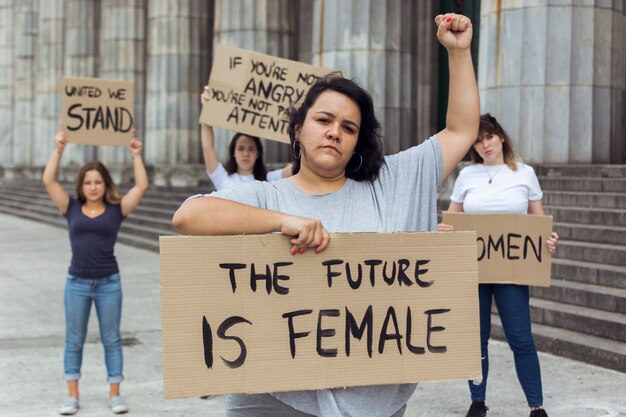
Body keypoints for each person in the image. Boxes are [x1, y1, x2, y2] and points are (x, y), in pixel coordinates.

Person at [173, 13, 477, 417]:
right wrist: (283, 222)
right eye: (323, 120)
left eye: (349, 128)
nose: (335, 131)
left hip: (375, 401)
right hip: (275, 401)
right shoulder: (266, 195)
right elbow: (188, 216)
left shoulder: (392, 182)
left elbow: (460, 131)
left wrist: (458, 54)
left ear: (356, 144)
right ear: (297, 129)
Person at [438, 113, 559, 417]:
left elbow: (538, 222)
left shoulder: (525, 173)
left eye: (488, 137)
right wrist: (445, 228)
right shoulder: (467, 176)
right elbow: (452, 218)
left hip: (512, 270)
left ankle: (537, 406)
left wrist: (547, 241)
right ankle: (477, 401)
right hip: (474, 269)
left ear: (501, 137)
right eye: (477, 141)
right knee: (475, 339)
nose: (484, 145)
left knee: (521, 338)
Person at [43, 128, 149, 415]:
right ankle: (72, 396)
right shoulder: (70, 207)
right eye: (88, 182)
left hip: (108, 283)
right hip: (76, 282)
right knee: (74, 340)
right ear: (82, 185)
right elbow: (48, 180)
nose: (92, 187)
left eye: (97, 182)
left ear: (105, 184)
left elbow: (140, 187)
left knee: (111, 339)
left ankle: (115, 394)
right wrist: (59, 148)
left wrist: (135, 156)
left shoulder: (117, 210)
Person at [200, 86, 292, 190]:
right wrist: (206, 110)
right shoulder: (222, 179)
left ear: (258, 153)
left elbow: (294, 169)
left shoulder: (269, 179)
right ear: (233, 152)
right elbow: (207, 147)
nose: (246, 154)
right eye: (241, 148)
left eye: (251, 149)